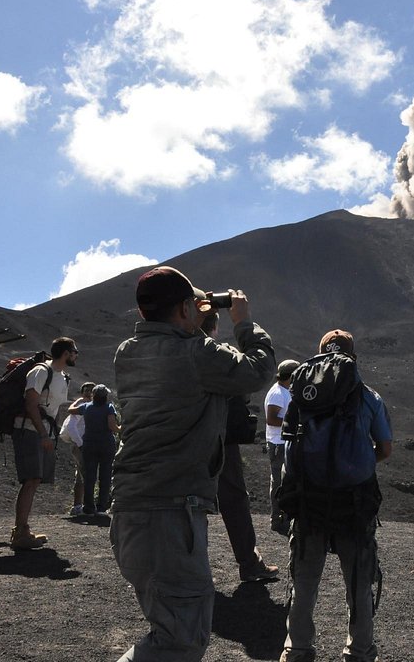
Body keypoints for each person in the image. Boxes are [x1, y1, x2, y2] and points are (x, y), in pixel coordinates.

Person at [111, 266, 275, 662]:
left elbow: (179, 356)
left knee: (169, 631)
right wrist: (244, 323)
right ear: (186, 307)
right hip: (169, 514)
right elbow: (260, 369)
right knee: (180, 641)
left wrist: (191, 319)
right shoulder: (197, 353)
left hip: (133, 511)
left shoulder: (127, 353)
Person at [279, 329, 393, 662]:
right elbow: (385, 448)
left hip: (307, 501)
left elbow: (289, 445)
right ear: (352, 359)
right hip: (353, 503)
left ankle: (296, 649)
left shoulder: (304, 395)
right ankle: (358, 651)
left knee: (304, 581)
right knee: (358, 582)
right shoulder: (368, 397)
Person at [199, 312, 279, 583]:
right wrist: (244, 323)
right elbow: (250, 379)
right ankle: (248, 561)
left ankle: (191, 568)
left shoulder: (165, 352)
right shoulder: (219, 354)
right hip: (220, 440)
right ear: (214, 326)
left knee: (189, 503)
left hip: (182, 440)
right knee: (233, 498)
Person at [10, 336, 76, 550]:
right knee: (31, 479)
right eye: (75, 351)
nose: (76, 355)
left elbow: (53, 410)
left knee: (35, 480)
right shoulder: (41, 371)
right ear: (66, 353)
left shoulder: (62, 376)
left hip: (42, 432)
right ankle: (20, 533)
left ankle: (23, 530)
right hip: (29, 430)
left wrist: (50, 435)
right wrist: (43, 435)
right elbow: (31, 404)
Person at [67, 384, 120, 516]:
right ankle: (101, 508)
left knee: (90, 476)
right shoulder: (109, 408)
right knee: (105, 475)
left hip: (89, 444)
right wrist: (121, 429)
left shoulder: (86, 407)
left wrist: (79, 400)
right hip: (106, 444)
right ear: (105, 396)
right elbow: (112, 426)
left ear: (94, 395)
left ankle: (88, 507)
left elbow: (70, 409)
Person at [266, 358, 300, 535]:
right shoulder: (278, 394)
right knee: (279, 482)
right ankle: (277, 519)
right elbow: (271, 419)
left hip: (282, 442)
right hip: (278, 443)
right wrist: (292, 423)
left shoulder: (284, 391)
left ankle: (283, 517)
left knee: (284, 481)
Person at [60, 381, 94, 515]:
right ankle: (82, 506)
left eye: (92, 391)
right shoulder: (81, 406)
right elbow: (71, 426)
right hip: (81, 445)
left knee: (81, 475)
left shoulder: (89, 406)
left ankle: (80, 505)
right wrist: (80, 443)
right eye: (86, 391)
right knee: (84, 474)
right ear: (82, 393)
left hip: (83, 444)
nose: (89, 393)